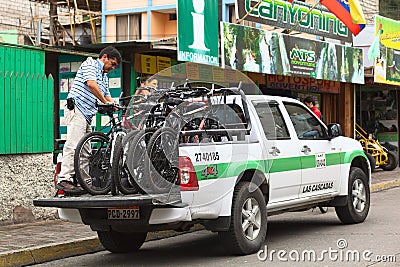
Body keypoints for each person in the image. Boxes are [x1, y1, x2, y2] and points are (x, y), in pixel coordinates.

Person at [56, 46, 122, 194]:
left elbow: (106, 94)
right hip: (77, 108)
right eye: (112, 64)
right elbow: (91, 85)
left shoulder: (104, 76)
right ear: (104, 57)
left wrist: (114, 105)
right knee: (73, 145)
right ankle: (64, 179)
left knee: (85, 151)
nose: (112, 68)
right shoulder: (90, 64)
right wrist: (105, 102)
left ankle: (85, 183)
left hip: (87, 114)